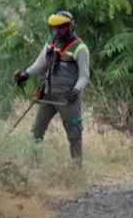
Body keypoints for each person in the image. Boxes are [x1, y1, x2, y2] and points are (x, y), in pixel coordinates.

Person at [13, 11, 91, 164]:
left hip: (67, 98)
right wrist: (26, 74)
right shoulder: (50, 44)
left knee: (74, 134)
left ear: (71, 26)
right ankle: (34, 166)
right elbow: (39, 65)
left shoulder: (80, 48)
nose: (58, 31)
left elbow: (84, 76)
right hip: (48, 94)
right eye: (55, 27)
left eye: (61, 27)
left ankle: (76, 168)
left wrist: (76, 91)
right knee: (36, 131)